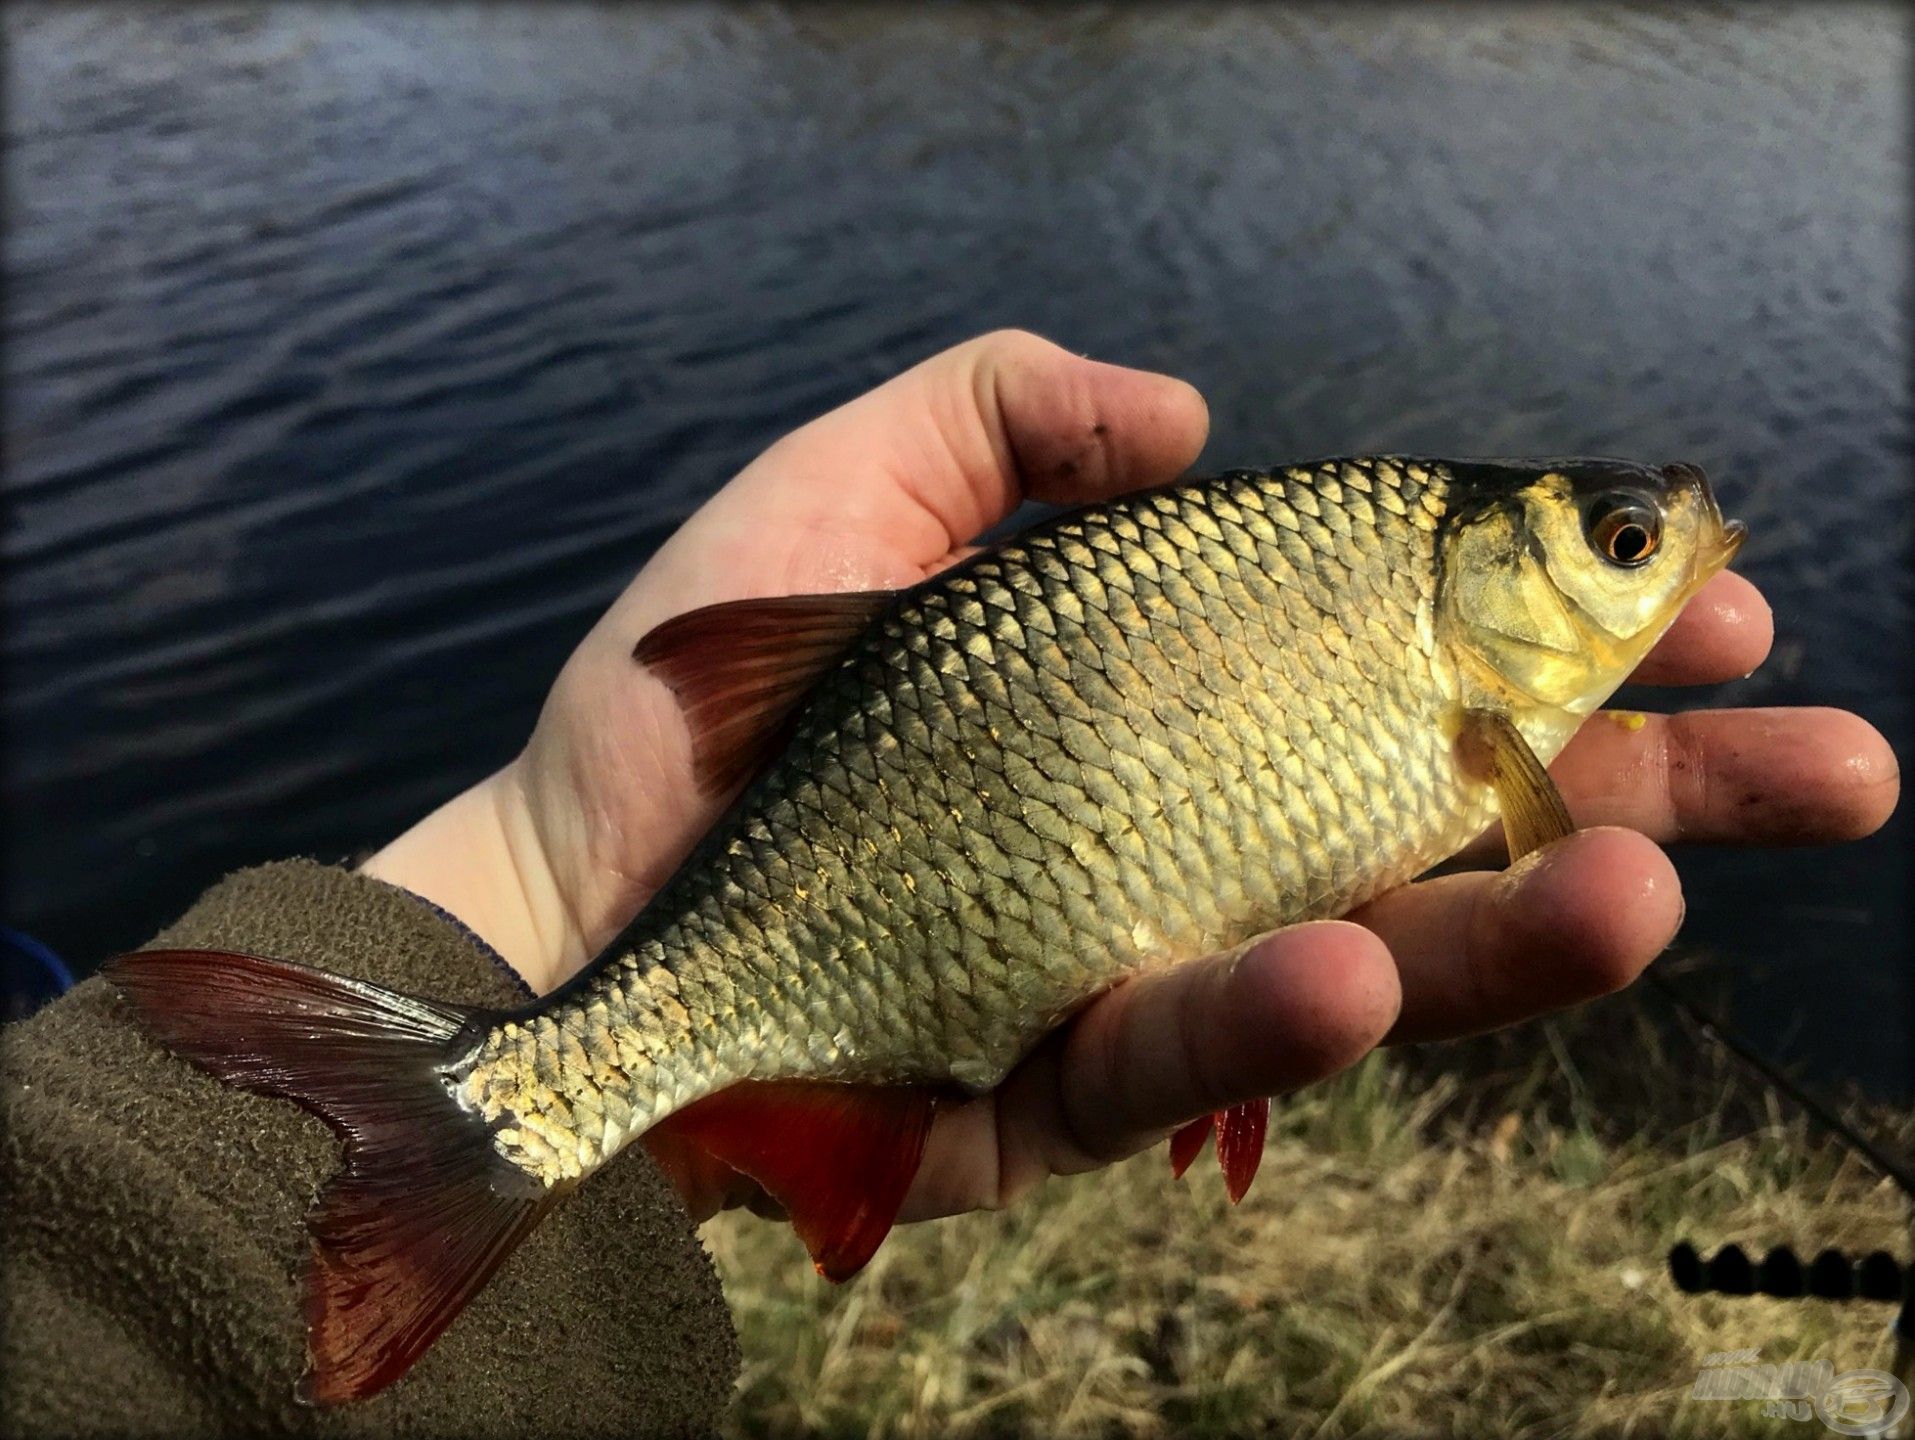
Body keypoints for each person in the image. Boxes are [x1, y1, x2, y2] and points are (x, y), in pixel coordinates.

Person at [2, 331, 1898, 1435]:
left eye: (1629, 535)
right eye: (1623, 540)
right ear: (1481, 575)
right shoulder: (1488, 739)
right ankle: (526, 1097)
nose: (1653, 560)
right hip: (840, 917)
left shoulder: (1478, 708)